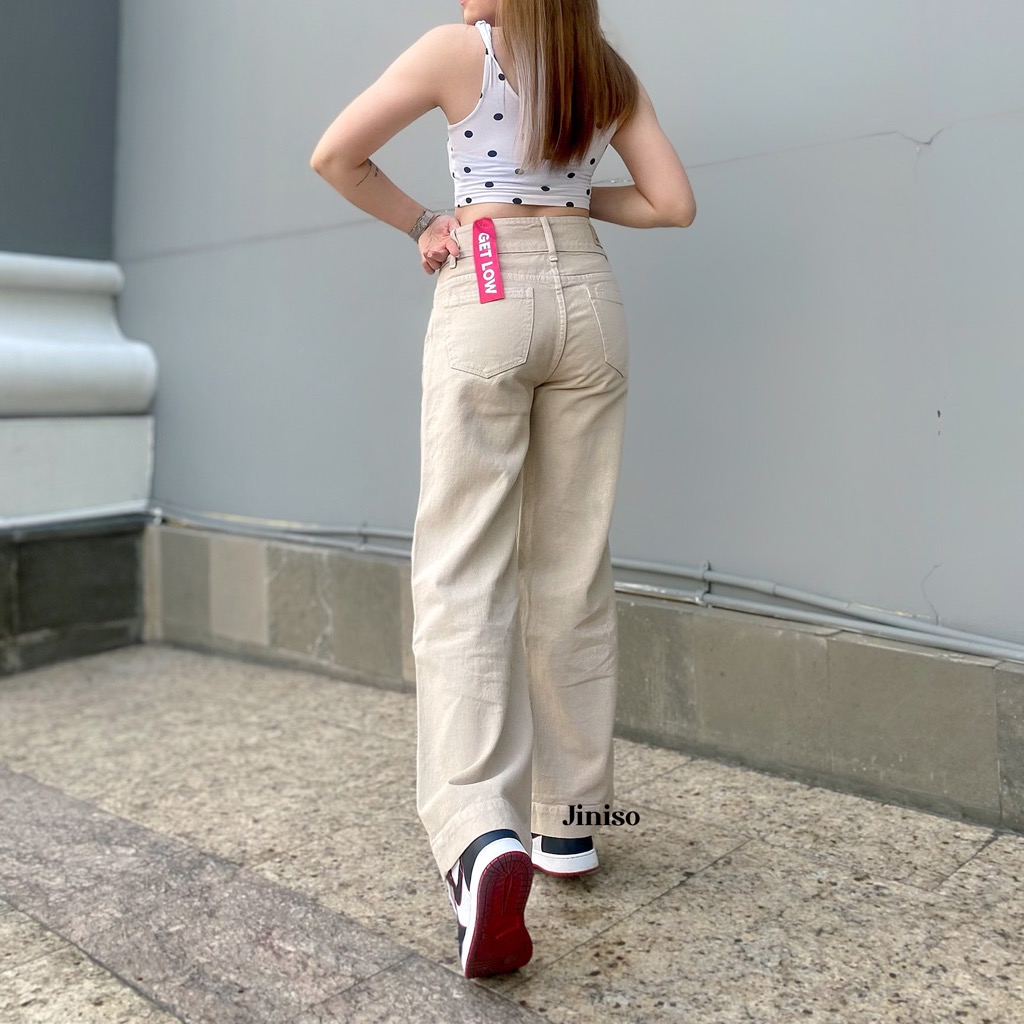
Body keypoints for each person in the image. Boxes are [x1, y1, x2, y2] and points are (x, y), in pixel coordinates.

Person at [310, 0, 694, 979]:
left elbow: (336, 156)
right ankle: (572, 822)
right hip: (591, 301)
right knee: (570, 564)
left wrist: (426, 222)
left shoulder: (458, 52)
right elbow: (670, 204)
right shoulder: (605, 71)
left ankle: (481, 836)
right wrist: (572, 203)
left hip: (486, 280)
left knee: (461, 568)